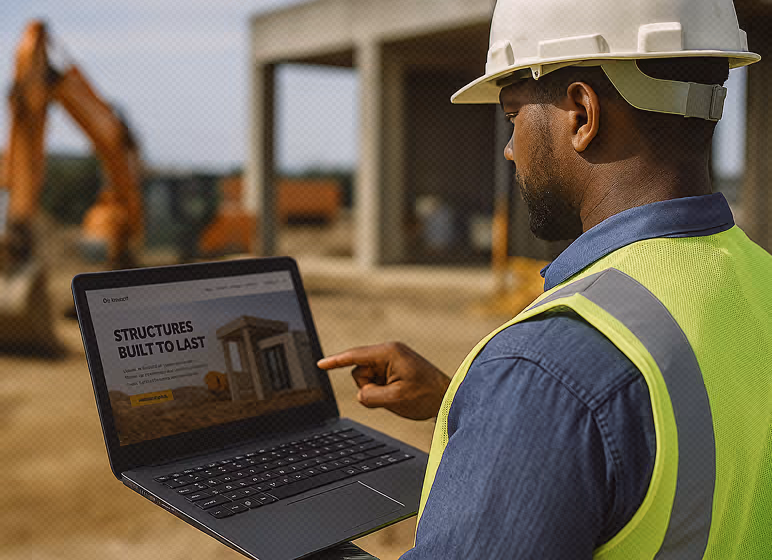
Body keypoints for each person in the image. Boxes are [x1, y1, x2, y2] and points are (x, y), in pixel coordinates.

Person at [318, 0, 772, 558]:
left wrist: (294, 541)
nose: (510, 148)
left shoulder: (548, 369)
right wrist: (481, 409)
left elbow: (590, 401)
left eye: (513, 116)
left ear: (581, 113)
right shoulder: (758, 281)